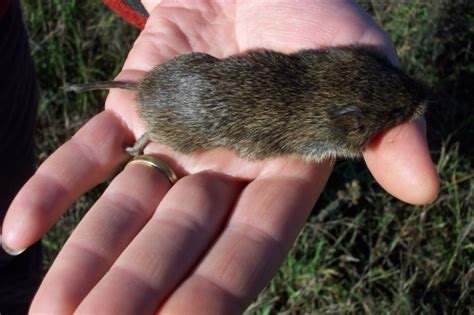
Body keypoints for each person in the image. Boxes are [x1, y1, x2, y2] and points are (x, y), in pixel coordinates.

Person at [1, 0, 440, 313]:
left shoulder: (318, 74)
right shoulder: (320, 130)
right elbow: (320, 140)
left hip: (182, 84)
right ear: (349, 126)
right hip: (187, 110)